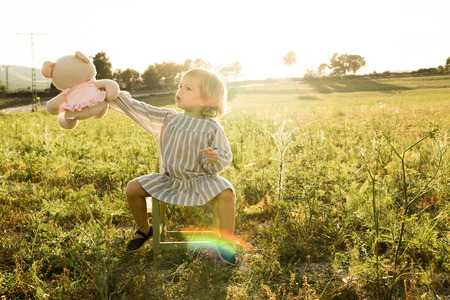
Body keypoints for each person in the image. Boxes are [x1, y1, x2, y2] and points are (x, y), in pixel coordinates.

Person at [107, 68, 236, 265]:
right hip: (169, 180)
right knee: (132, 188)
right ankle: (144, 228)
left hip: (201, 181)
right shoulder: (168, 119)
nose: (180, 91)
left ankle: (225, 244)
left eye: (188, 88)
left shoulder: (212, 128)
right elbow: (141, 109)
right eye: (180, 86)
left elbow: (225, 156)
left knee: (227, 193)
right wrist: (115, 96)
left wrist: (214, 157)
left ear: (205, 100)